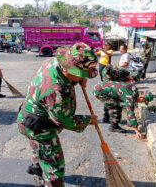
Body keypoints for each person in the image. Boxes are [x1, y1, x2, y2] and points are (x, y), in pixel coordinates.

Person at [17, 43, 98, 187]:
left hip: (27, 118)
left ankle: (37, 167)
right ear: (70, 69)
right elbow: (62, 120)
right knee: (54, 166)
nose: (82, 77)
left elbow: (67, 77)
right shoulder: (57, 91)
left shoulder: (52, 62)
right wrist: (88, 120)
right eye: (81, 74)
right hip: (40, 128)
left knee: (39, 148)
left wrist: (79, 78)